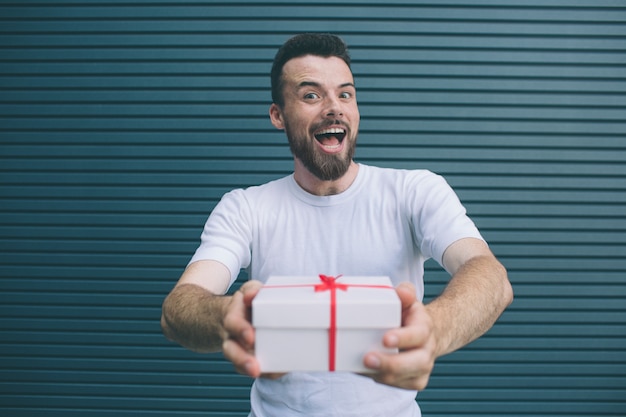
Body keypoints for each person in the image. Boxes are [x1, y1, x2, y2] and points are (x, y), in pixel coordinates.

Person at [161, 33, 513, 417]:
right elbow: (179, 307)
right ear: (278, 115)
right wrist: (225, 316)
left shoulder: (415, 190)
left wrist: (434, 327)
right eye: (311, 95)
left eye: (345, 94)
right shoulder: (245, 207)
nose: (334, 109)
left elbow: (490, 276)